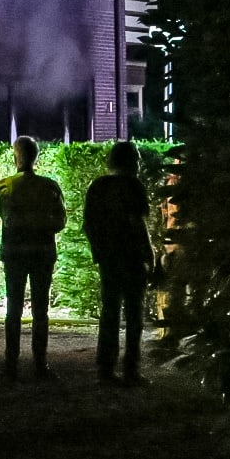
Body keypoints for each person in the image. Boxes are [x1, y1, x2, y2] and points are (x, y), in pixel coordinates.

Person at [83, 141, 155, 385]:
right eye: (136, 157)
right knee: (134, 314)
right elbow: (138, 223)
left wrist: (99, 253)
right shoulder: (133, 187)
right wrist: (150, 254)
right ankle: (131, 369)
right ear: (130, 161)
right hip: (132, 256)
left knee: (110, 312)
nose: (139, 162)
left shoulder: (98, 187)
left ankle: (105, 368)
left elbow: (89, 225)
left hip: (109, 258)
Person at [0, 135, 65, 380]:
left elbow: (5, 218)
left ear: (16, 156)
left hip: (14, 254)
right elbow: (60, 222)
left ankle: (11, 364)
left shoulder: (4, 186)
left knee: (13, 309)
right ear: (36, 157)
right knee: (40, 310)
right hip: (42, 253)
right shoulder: (50, 187)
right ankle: (40, 364)